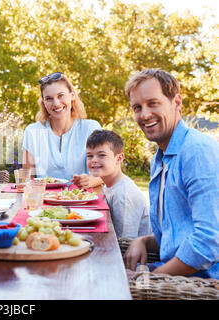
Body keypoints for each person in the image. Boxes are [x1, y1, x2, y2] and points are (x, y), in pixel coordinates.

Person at [123, 68, 219, 279]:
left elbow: (208, 243)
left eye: (153, 103)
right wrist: (144, 241)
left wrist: (150, 278)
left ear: (176, 102)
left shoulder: (197, 151)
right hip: (172, 272)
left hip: (201, 284)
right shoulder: (160, 160)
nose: (144, 114)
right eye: (137, 107)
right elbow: (178, 230)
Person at [22, 72, 103, 189]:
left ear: (72, 95)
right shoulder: (32, 132)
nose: (56, 103)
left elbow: (104, 172)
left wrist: (89, 181)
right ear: (44, 103)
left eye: (61, 96)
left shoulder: (91, 128)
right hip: (46, 200)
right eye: (49, 98)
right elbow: (27, 178)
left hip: (82, 199)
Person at [86, 129, 152, 238]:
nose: (94, 160)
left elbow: (125, 241)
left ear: (119, 158)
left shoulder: (123, 195)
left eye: (101, 155)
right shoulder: (109, 185)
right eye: (90, 156)